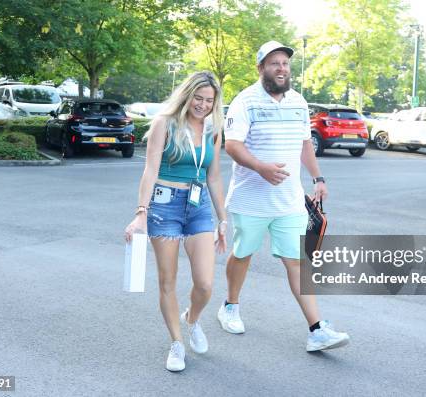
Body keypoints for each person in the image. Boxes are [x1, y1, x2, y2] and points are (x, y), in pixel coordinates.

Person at [218, 41, 349, 351]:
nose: (281, 68)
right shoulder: (245, 101)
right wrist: (261, 167)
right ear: (261, 67)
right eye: (274, 63)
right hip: (251, 199)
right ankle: (230, 306)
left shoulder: (298, 102)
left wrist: (318, 177)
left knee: (298, 262)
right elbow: (232, 145)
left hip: (289, 202)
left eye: (285, 63)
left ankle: (317, 329)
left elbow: (305, 144)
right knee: (243, 255)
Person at [124, 71, 228, 372]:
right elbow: (150, 170)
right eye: (198, 98)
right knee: (167, 281)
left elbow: (214, 175)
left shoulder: (213, 129)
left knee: (206, 284)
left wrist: (223, 219)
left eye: (209, 101)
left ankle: (191, 319)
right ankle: (177, 343)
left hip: (198, 209)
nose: (203, 105)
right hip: (164, 207)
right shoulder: (164, 124)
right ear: (187, 94)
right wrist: (141, 212)